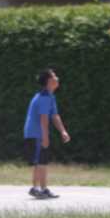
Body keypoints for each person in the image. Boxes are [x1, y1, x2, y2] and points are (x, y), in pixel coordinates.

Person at [23, 68, 71, 199]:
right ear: (49, 81)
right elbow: (43, 118)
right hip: (35, 133)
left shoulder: (50, 96)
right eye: (54, 76)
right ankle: (35, 188)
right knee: (39, 161)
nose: (57, 78)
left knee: (42, 161)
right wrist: (45, 137)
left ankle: (43, 189)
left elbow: (54, 116)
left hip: (39, 132)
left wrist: (63, 131)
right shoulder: (44, 97)